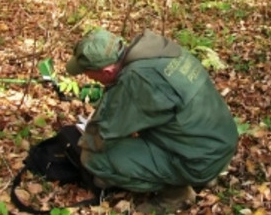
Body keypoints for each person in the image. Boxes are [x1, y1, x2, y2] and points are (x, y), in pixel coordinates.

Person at [65, 28, 239, 212]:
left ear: (107, 72)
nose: (88, 78)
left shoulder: (136, 79)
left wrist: (84, 140)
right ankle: (204, 173)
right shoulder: (158, 51)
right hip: (221, 143)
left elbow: (101, 134)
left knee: (94, 159)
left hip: (200, 160)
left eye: (87, 73)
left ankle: (176, 194)